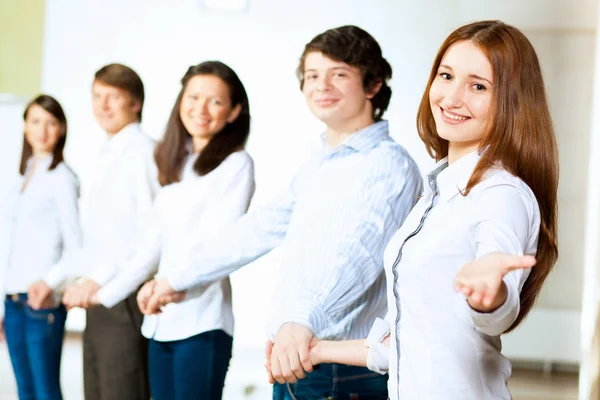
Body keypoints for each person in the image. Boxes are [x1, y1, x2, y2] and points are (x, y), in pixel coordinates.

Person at [268, 20, 559, 400]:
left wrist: (491, 297)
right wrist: (314, 349)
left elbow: (497, 307)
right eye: (446, 75)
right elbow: (404, 341)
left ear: (511, 101)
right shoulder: (436, 192)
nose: (452, 98)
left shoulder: (501, 193)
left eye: (478, 86)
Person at [140, 25, 423, 399]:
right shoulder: (319, 163)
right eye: (312, 75)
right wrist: (176, 279)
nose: (322, 85)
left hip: (339, 371)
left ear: (372, 86)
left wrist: (302, 319)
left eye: (339, 74)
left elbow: (358, 255)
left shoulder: (388, 165)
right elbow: (256, 230)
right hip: (297, 356)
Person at [69, 61, 255, 400]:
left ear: (233, 111)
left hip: (203, 322)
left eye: (214, 101)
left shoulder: (235, 164)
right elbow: (151, 244)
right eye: (193, 96)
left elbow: (221, 248)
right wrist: (104, 295)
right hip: (160, 322)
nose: (200, 109)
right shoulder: (174, 161)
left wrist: (171, 284)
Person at [61, 64, 158, 400]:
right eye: (97, 96)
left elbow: (149, 235)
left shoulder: (143, 152)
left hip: (123, 296)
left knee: (122, 392)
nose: (103, 105)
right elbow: (103, 233)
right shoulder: (107, 153)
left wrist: (98, 280)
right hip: (100, 296)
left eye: (113, 97)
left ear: (136, 103)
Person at [0, 94, 81, 400]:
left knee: (46, 392)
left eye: (51, 122)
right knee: (25, 391)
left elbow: (77, 247)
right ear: (24, 126)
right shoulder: (23, 175)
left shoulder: (62, 178)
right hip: (13, 300)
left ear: (61, 129)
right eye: (35, 121)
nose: (42, 130)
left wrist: (50, 283)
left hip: (41, 302)